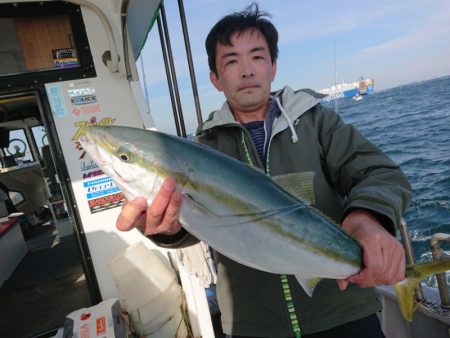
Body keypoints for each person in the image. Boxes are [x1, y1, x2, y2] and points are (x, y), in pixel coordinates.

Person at [116, 3, 411, 337]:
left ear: (273, 67)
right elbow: (195, 224)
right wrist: (165, 229)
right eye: (231, 61)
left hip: (343, 312)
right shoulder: (202, 150)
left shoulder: (317, 122)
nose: (247, 70)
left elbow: (380, 173)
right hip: (254, 324)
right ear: (215, 79)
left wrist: (367, 221)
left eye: (257, 57)